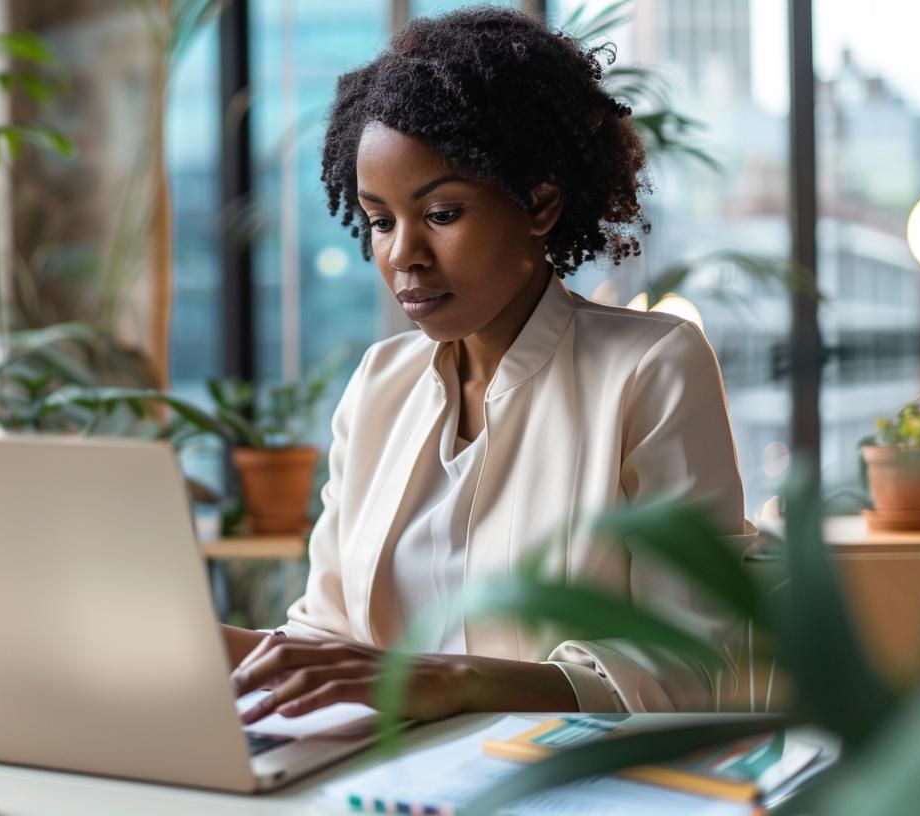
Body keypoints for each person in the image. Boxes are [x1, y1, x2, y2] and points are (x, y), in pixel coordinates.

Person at [222, 7, 753, 721]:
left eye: (441, 214)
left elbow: (692, 661)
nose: (402, 255)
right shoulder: (380, 383)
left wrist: (454, 683)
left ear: (538, 204)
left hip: (568, 787)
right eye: (380, 221)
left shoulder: (651, 369)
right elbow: (329, 633)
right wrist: (198, 641)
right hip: (381, 782)